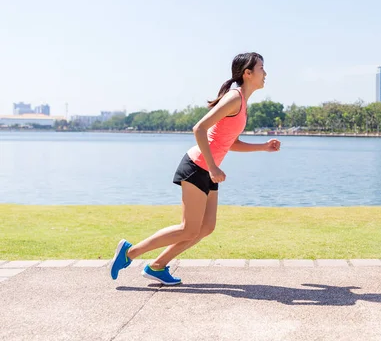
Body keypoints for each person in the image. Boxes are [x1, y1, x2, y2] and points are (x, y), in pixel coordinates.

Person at [109, 52, 281, 285]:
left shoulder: (242, 102)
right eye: (261, 68)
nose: (265, 73)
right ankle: (129, 253)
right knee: (188, 228)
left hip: (208, 169)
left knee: (206, 227)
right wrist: (212, 167)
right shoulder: (234, 98)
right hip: (196, 166)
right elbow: (199, 128)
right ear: (247, 73)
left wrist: (263, 147)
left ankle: (157, 266)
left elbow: (229, 142)